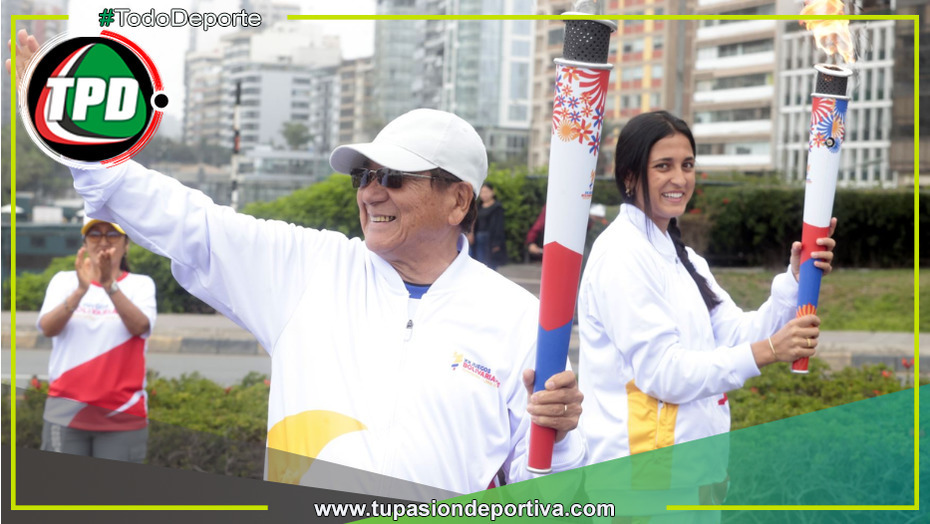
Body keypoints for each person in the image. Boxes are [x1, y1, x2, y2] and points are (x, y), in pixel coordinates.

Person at [10, 32, 584, 494]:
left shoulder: (517, 319)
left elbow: (541, 488)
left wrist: (558, 438)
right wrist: (76, 138)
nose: (371, 192)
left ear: (458, 200)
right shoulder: (309, 269)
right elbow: (189, 223)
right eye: (364, 175)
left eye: (392, 177)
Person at [578, 110, 837, 466]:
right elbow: (664, 373)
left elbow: (736, 334)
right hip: (641, 476)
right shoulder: (622, 255)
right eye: (663, 166)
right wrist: (768, 351)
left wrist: (796, 279)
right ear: (629, 176)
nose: (680, 178)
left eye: (687, 165)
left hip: (692, 471)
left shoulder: (684, 259)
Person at [36, 217, 157, 463]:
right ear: (85, 244)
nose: (103, 241)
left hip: (122, 417)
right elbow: (47, 328)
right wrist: (81, 291)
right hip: (65, 415)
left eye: (112, 235)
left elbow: (140, 327)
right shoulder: (64, 281)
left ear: (126, 245)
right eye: (95, 235)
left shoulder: (141, 285)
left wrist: (108, 284)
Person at [473, 182, 508, 269]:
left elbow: (498, 226)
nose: (484, 194)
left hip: (490, 239)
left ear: (492, 192)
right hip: (478, 239)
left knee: (490, 264)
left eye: (486, 192)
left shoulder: (497, 207)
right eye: (482, 192)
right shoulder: (478, 207)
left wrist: (496, 243)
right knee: (479, 263)